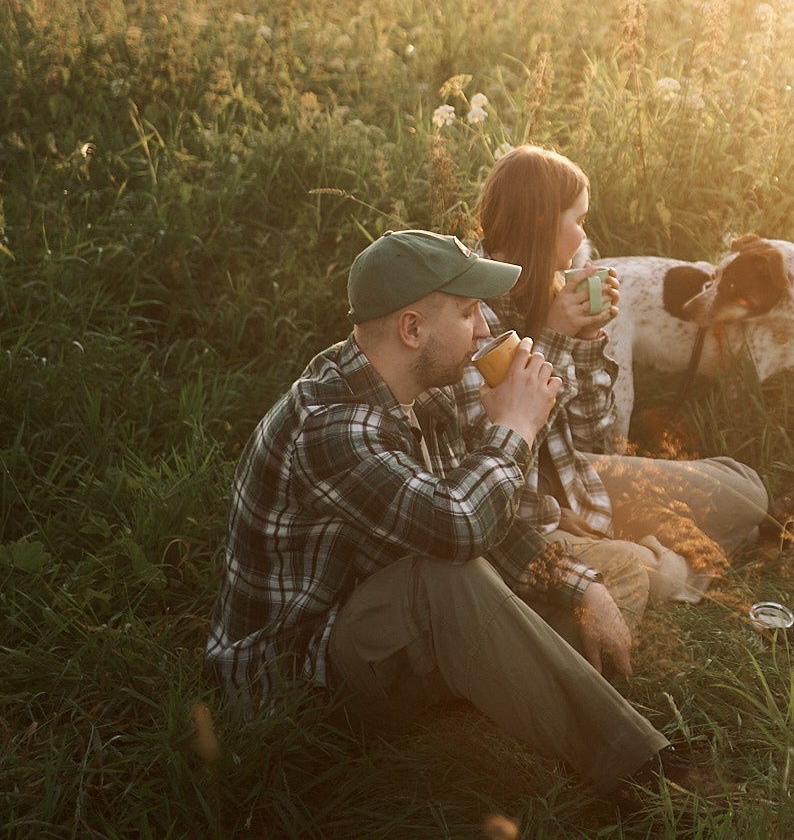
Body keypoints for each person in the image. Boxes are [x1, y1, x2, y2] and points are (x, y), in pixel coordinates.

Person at [204, 229, 680, 794]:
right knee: (447, 577)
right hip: (302, 679)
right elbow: (458, 529)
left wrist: (583, 588)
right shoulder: (332, 428)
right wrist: (513, 430)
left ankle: (512, 692)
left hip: (382, 619)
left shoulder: (413, 390)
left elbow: (485, 517)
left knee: (613, 576)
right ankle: (639, 772)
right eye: (468, 312)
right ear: (412, 329)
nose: (485, 328)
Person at [466, 145, 770, 623]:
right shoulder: (473, 312)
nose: (584, 233)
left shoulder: (547, 283)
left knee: (747, 490)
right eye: (579, 219)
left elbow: (591, 438)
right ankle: (664, 560)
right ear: (545, 222)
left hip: (577, 476)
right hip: (523, 509)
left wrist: (587, 338)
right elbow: (499, 463)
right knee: (657, 563)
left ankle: (663, 547)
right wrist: (554, 338)